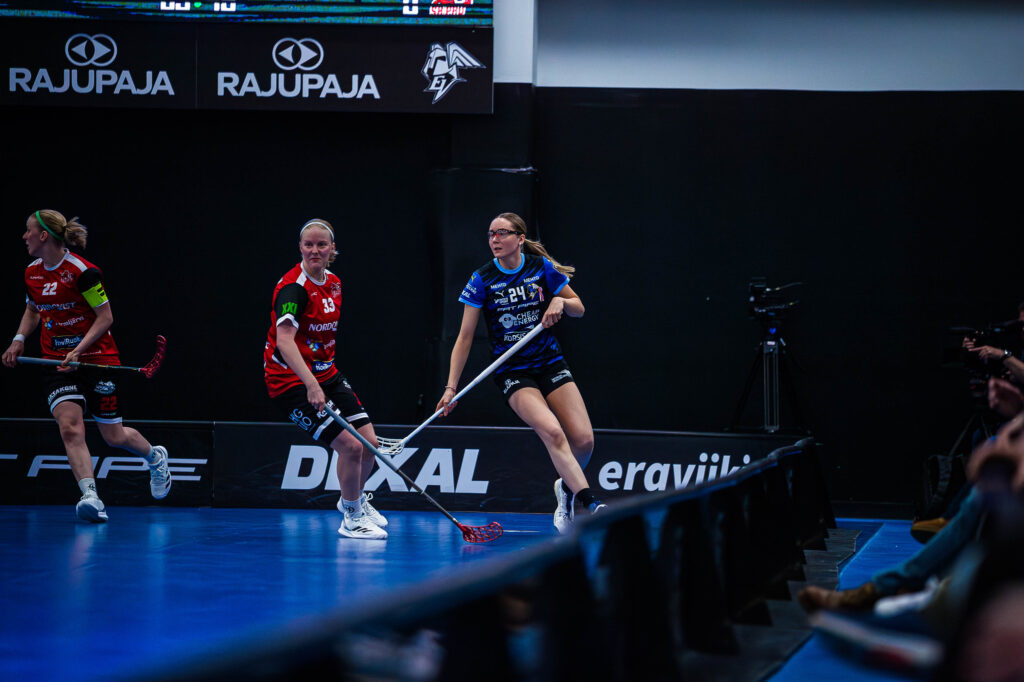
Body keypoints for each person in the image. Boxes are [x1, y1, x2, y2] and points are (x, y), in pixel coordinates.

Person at [436, 212, 604, 534]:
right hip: (513, 371)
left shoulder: (542, 268)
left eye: (502, 233)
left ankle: (566, 487)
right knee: (553, 432)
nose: (494, 239)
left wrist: (560, 302)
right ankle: (591, 503)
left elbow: (579, 308)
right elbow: (464, 338)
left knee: (584, 440)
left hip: (550, 362)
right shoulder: (482, 278)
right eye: (491, 234)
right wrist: (450, 387)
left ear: (520, 238)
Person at [1, 209, 171, 522]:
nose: (24, 236)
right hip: (56, 361)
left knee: (114, 436)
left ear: (43, 235)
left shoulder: (83, 272)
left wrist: (79, 350)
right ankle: (91, 495)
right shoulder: (31, 273)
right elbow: (33, 310)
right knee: (70, 426)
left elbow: (106, 317)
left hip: (97, 359)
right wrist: (18, 339)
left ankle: (155, 458)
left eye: (28, 230)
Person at [264, 218, 387, 540]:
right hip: (290, 381)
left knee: (370, 445)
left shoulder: (334, 282)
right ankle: (352, 517)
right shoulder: (293, 289)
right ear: (300, 248)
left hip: (326, 372)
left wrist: (320, 379)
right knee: (350, 446)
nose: (315, 250)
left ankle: (353, 500)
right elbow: (284, 341)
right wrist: (311, 384)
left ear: (332, 248)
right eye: (309, 245)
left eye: (321, 245)